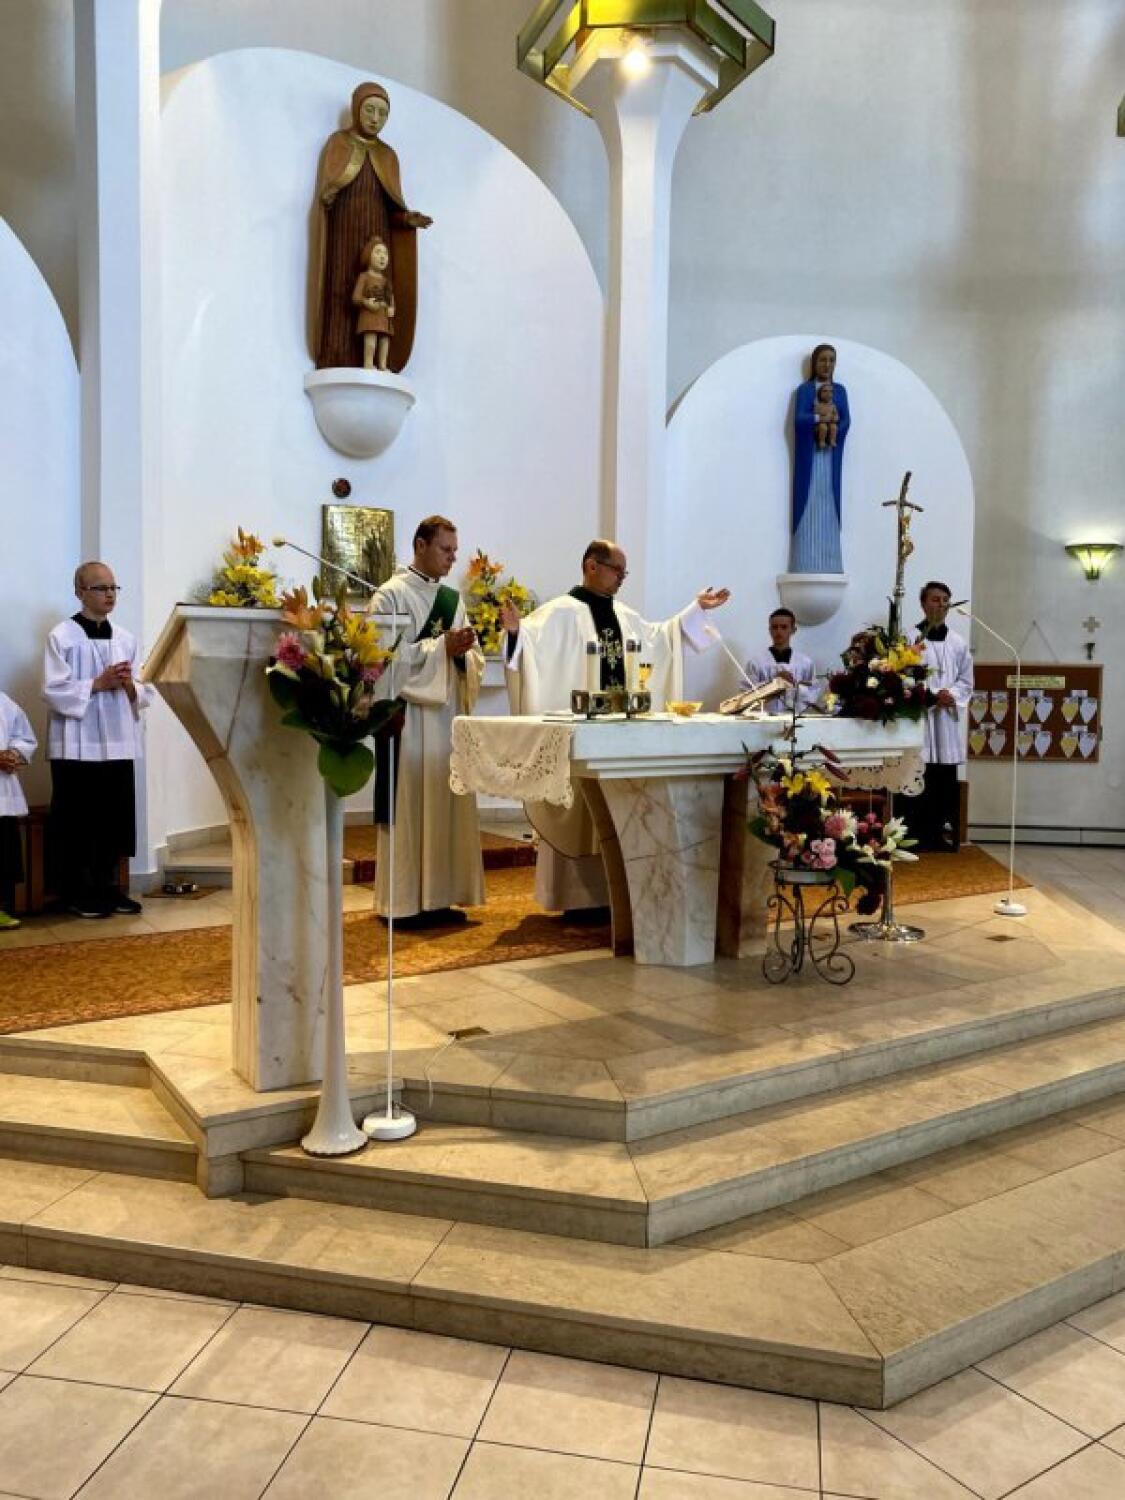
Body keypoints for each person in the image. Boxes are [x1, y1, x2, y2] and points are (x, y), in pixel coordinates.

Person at [499, 540, 730, 913]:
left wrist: (695, 611)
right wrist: (514, 634)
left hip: (618, 738)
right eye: (616, 570)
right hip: (580, 735)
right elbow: (526, 648)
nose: (622, 578)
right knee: (577, 805)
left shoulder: (624, 616)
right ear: (592, 566)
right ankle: (572, 897)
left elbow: (662, 638)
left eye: (625, 572)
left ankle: (612, 898)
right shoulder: (558, 612)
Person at [370, 515, 484, 925]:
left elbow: (473, 658)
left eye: (455, 551)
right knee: (409, 806)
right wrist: (439, 648)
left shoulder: (453, 599)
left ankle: (440, 897)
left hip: (446, 716)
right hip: (408, 717)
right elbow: (379, 658)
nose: (452, 558)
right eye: (445, 549)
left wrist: (463, 654)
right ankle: (402, 904)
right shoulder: (389, 596)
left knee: (444, 805)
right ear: (420, 545)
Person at [43, 562, 153, 918]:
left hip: (117, 740)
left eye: (113, 588)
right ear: (80, 592)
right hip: (78, 743)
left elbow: (145, 690)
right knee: (78, 820)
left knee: (114, 818)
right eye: (100, 588)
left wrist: (128, 685)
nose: (109, 595)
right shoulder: (62, 636)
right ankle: (77, 893)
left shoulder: (126, 639)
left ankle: (109, 888)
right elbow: (52, 690)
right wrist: (97, 684)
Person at [313, 81, 432, 373]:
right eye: (369, 110)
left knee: (376, 292)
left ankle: (376, 361)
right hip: (344, 231)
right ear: (356, 108)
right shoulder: (339, 142)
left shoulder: (388, 156)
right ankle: (337, 355)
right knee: (342, 288)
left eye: (382, 113)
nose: (375, 118)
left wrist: (407, 220)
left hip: (377, 231)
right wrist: (329, 195)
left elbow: (394, 208)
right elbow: (327, 191)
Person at [910, 580, 973, 852]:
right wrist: (932, 696)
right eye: (935, 599)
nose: (941, 604)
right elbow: (901, 676)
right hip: (920, 718)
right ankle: (912, 833)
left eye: (945, 600)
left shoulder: (958, 642)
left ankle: (938, 833)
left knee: (943, 776)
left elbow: (966, 681)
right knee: (917, 773)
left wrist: (951, 695)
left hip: (946, 719)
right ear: (923, 604)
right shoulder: (909, 639)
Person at [791, 343, 851, 574]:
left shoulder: (840, 391)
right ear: (814, 363)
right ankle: (804, 561)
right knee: (808, 501)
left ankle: (831, 562)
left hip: (830, 455)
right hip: (811, 455)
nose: (827, 364)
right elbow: (799, 420)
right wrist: (819, 420)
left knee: (829, 502)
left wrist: (833, 425)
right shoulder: (805, 390)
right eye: (822, 360)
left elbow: (846, 421)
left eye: (831, 360)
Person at [0, 691, 36, 931]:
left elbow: (24, 736)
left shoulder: (3, 701)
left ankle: (1, 907)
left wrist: (13, 753)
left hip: (2, 792)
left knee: (3, 850)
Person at [743, 608, 819, 714]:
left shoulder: (805, 663)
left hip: (796, 718)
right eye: (775, 627)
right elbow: (746, 696)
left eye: (784, 627)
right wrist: (773, 683)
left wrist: (795, 685)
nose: (779, 631)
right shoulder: (756, 663)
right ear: (770, 630)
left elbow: (813, 693)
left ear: (793, 630)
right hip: (764, 719)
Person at [352, 236, 395, 372]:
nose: (382, 257)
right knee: (370, 340)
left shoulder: (385, 281)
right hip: (369, 315)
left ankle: (382, 365)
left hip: (383, 315)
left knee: (385, 340)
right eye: (378, 252)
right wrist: (366, 302)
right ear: (368, 255)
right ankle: (368, 362)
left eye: (385, 254)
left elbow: (390, 296)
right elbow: (356, 297)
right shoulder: (364, 277)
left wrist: (392, 307)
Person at [814, 383, 839, 448]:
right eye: (825, 391)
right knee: (823, 427)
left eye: (831, 391)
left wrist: (835, 418)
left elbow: (836, 415)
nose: (828, 394)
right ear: (820, 394)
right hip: (821, 423)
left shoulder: (833, 406)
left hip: (831, 422)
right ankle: (822, 441)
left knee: (834, 427)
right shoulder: (818, 406)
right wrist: (822, 418)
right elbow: (815, 416)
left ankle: (832, 440)